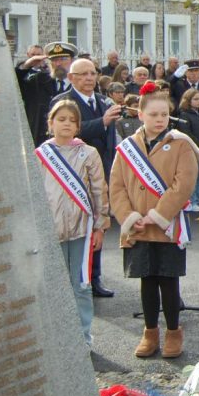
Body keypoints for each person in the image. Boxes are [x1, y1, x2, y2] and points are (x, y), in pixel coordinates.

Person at [109, 81, 199, 359]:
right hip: (137, 227)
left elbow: (183, 183)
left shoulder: (181, 144)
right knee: (146, 281)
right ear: (140, 115)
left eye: (164, 114)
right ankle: (150, 332)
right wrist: (129, 217)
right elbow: (116, 187)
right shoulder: (126, 148)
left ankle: (173, 331)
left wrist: (158, 215)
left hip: (167, 225)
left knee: (168, 281)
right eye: (153, 115)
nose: (159, 120)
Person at [35, 100, 108, 346]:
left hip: (81, 231)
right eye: (61, 119)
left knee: (81, 285)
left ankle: (83, 337)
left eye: (72, 120)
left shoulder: (88, 153)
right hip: (50, 232)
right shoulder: (40, 155)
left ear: (78, 126)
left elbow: (99, 191)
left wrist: (99, 226)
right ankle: (59, 337)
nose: (67, 124)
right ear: (50, 123)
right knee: (55, 285)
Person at [50, 57, 122, 298]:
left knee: (97, 225)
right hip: (74, 173)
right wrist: (101, 122)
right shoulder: (63, 102)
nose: (90, 78)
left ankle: (95, 276)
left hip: (100, 170)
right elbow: (68, 131)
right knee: (74, 228)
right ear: (71, 78)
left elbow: (110, 136)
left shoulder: (102, 100)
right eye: (83, 74)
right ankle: (73, 277)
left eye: (92, 73)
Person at [17, 41, 76, 145]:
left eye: (63, 59)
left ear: (72, 61)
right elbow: (17, 85)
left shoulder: (79, 83)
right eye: (54, 59)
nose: (58, 64)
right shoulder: (38, 81)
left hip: (72, 142)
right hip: (42, 142)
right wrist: (26, 65)